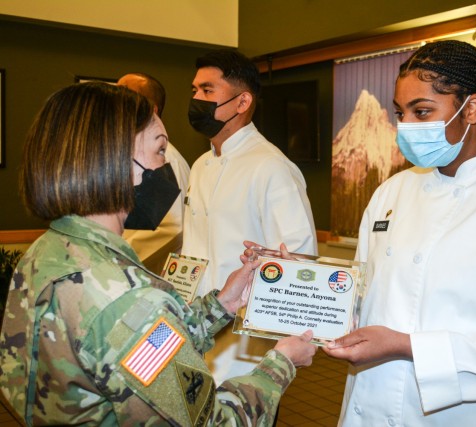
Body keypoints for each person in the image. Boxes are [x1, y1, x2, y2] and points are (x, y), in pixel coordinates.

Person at [0, 82, 316, 426]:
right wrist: (281, 362)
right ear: (121, 163)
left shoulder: (45, 253)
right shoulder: (130, 301)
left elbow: (141, 352)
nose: (166, 166)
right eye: (160, 150)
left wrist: (221, 304)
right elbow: (214, 422)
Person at [323, 40, 476, 426]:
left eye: (421, 112)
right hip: (369, 405)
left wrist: (407, 347)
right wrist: (303, 280)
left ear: (470, 108)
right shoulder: (392, 191)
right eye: (400, 113)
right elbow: (361, 290)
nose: (405, 126)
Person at [183, 49, 318, 381]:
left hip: (242, 346)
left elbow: (299, 260)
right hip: (194, 326)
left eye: (207, 90)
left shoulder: (271, 166)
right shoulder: (200, 166)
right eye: (194, 90)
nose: (197, 98)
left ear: (242, 103)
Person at [117, 72, 191, 274]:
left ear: (150, 109)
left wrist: (112, 259)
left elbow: (171, 228)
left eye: (124, 94)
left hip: (146, 278)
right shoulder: (126, 154)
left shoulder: (165, 161)